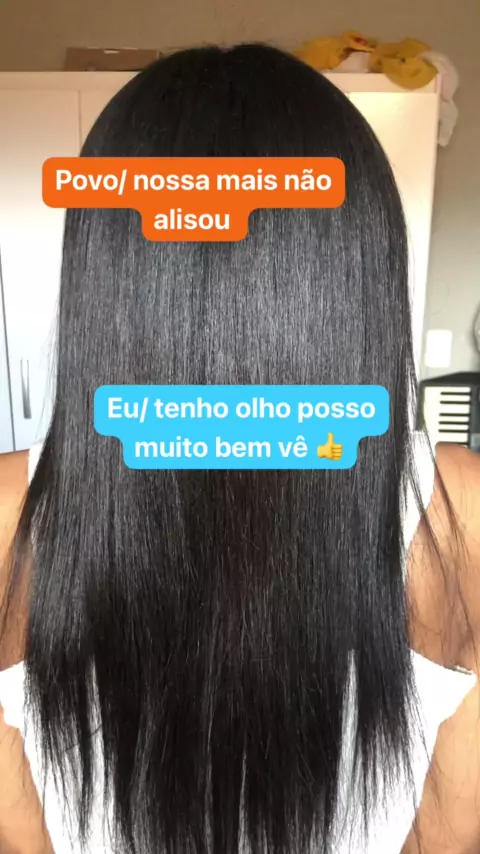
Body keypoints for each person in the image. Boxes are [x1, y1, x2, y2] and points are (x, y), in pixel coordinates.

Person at [1, 42, 480, 854]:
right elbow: (449, 829)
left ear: (105, 274)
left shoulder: (10, 514)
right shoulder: (460, 514)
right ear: (358, 273)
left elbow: (20, 826)